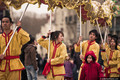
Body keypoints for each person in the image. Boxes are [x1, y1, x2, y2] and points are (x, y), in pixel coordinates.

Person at [0, 16, 30, 80]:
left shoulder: (17, 35)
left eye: (6, 22)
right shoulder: (0, 37)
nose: (4, 23)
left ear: (11, 24)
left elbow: (27, 38)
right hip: (2, 66)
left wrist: (19, 28)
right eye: (3, 22)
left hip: (14, 65)